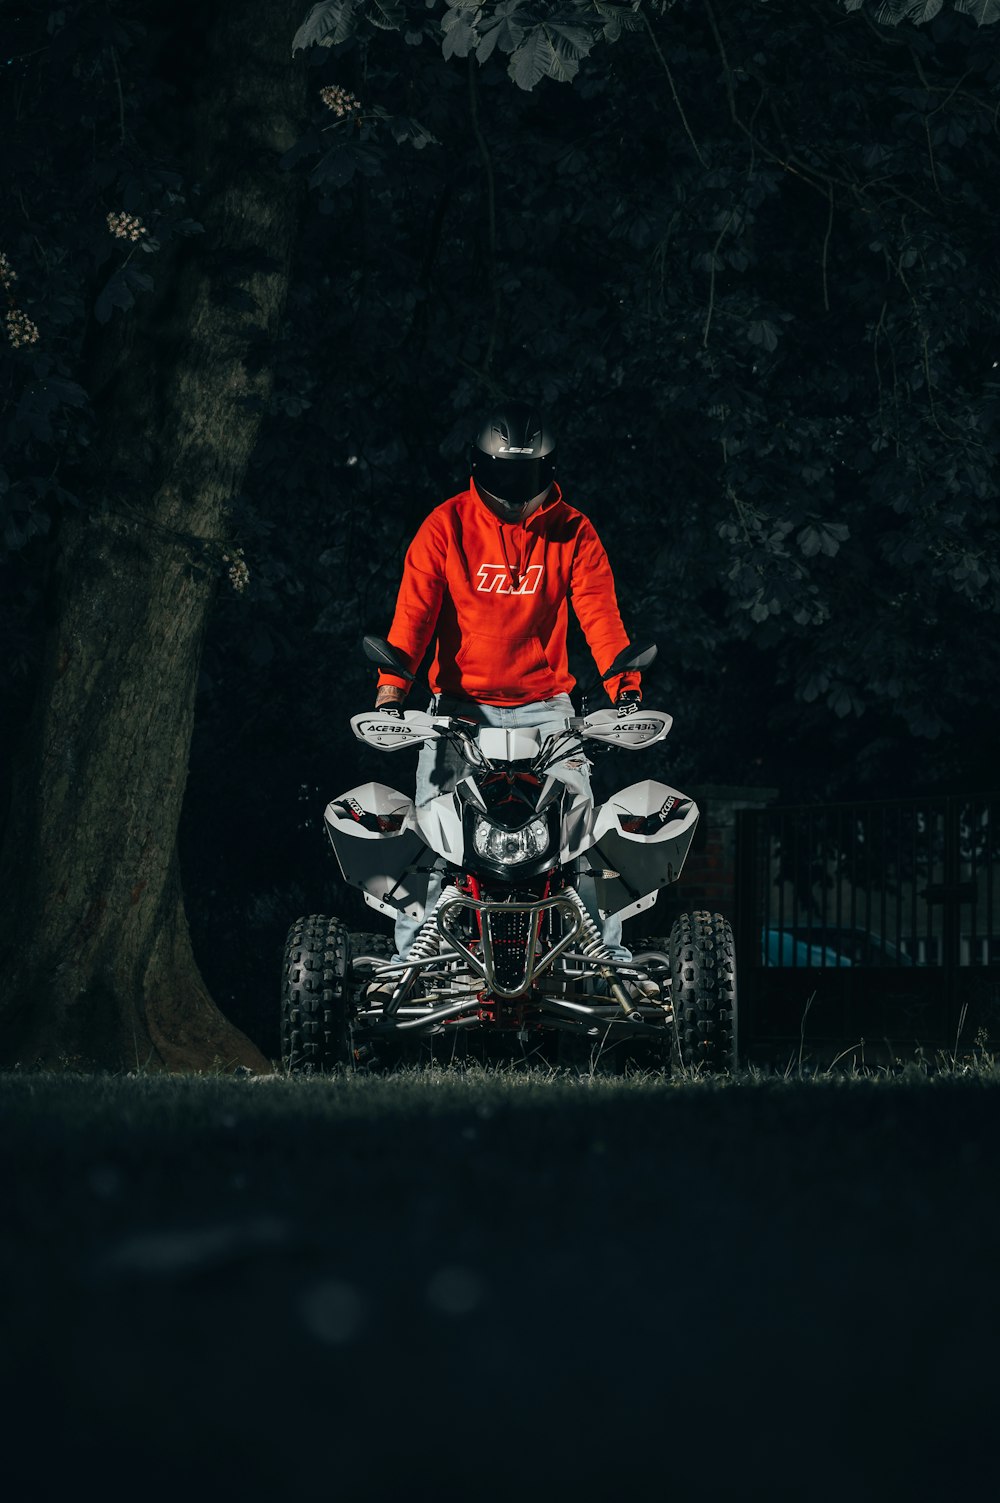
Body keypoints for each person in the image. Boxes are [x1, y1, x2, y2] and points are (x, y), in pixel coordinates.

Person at [368, 401, 658, 999]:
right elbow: (413, 616)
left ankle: (605, 969)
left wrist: (623, 692)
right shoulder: (445, 526)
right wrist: (393, 693)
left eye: (527, 475)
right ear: (479, 465)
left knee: (579, 843)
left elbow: (600, 614)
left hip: (548, 710)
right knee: (434, 842)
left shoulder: (572, 530)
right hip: (457, 710)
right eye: (502, 473)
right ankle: (413, 974)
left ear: (548, 470)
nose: (513, 488)